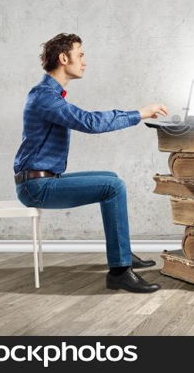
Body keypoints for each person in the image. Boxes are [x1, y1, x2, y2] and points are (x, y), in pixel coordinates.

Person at [13, 33, 168, 293]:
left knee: (110, 177)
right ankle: (119, 271)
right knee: (113, 187)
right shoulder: (45, 97)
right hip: (36, 186)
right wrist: (139, 113)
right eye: (80, 54)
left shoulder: (50, 95)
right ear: (64, 58)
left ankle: (124, 255)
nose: (84, 61)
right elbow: (90, 122)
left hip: (43, 179)